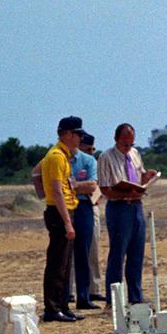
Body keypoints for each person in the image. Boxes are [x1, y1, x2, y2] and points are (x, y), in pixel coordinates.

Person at [98, 123, 159, 304]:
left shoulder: (135, 154)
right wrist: (125, 194)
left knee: (137, 254)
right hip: (118, 208)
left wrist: (147, 177)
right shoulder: (106, 157)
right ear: (116, 140)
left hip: (136, 206)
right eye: (125, 144)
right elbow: (105, 188)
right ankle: (114, 300)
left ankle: (135, 297)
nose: (128, 147)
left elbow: (138, 176)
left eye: (131, 144)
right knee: (118, 254)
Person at [40, 116, 84, 323]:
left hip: (65, 210)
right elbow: (57, 192)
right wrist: (67, 222)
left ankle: (62, 305)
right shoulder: (57, 156)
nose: (80, 138)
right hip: (59, 212)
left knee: (65, 264)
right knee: (57, 263)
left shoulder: (63, 156)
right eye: (77, 134)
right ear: (67, 134)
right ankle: (52, 307)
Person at [68, 131, 100, 309]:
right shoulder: (59, 158)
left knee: (85, 253)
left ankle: (84, 296)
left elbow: (92, 186)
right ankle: (66, 295)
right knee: (66, 254)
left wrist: (74, 186)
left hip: (85, 207)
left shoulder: (89, 161)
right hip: (66, 207)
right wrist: (77, 187)